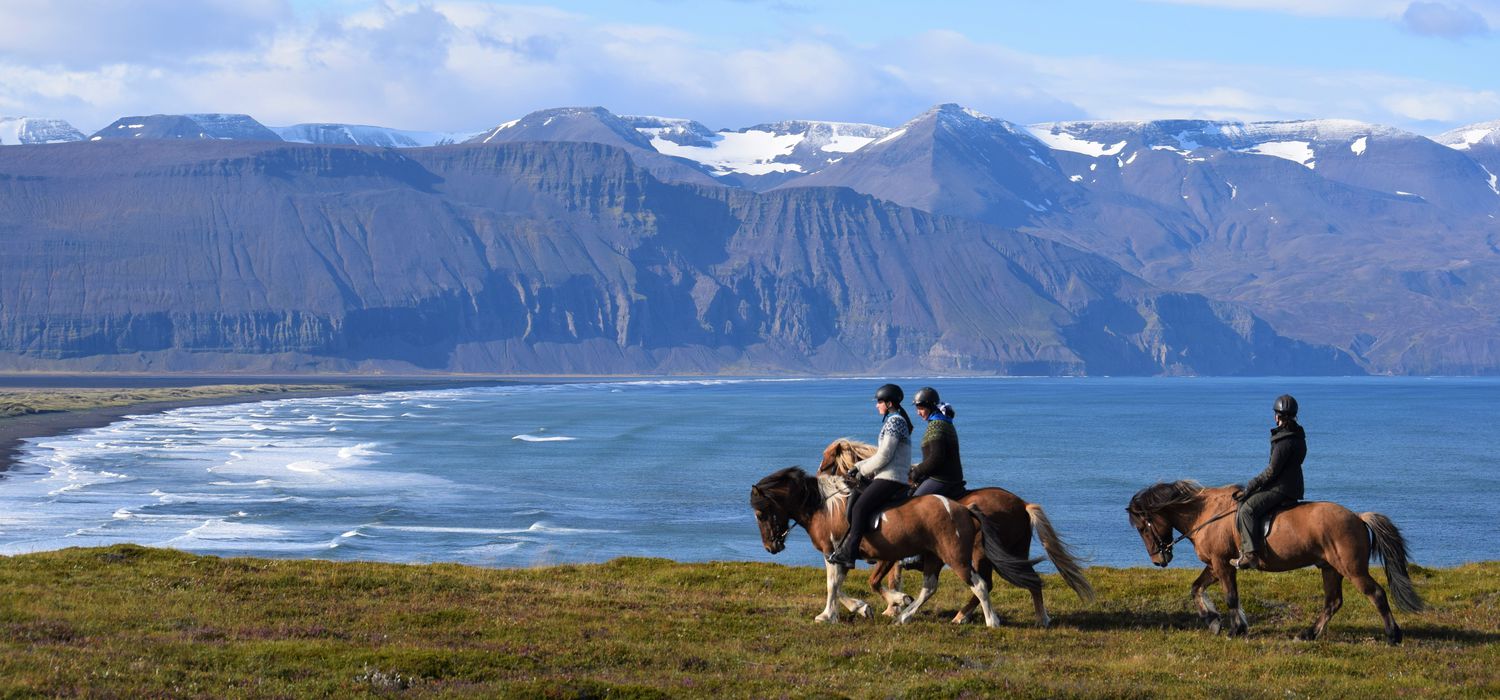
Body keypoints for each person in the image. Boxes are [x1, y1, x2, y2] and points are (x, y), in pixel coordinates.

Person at [827, 383, 912, 567]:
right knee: (855, 497)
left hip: (891, 477)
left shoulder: (895, 421)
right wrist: (857, 466)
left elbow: (884, 456)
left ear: (889, 403)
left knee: (859, 508)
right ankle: (870, 549)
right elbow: (881, 455)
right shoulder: (894, 420)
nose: (877, 405)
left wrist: (862, 470)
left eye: (879, 402)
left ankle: (850, 555)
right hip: (886, 475)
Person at [1231, 394, 1307, 570]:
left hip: (1280, 488)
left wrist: (1251, 485)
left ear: (1277, 416)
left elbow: (1272, 470)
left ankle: (1250, 554)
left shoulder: (1283, 441)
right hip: (1294, 486)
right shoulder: (1298, 436)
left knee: (1247, 509)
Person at [910, 386, 966, 499]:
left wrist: (916, 472)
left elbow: (936, 457)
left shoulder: (937, 425)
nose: (918, 413)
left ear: (930, 407)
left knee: (914, 502)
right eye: (917, 409)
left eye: (921, 408)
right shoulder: (943, 422)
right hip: (945, 475)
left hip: (942, 478)